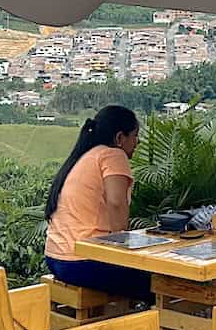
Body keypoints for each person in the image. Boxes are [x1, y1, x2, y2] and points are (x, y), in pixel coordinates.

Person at [43, 105, 153, 303]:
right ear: (120, 138)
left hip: (55, 258)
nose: (138, 142)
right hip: (83, 262)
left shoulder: (85, 156)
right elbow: (116, 202)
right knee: (161, 283)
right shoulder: (113, 155)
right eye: (135, 136)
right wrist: (124, 250)